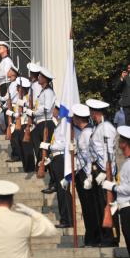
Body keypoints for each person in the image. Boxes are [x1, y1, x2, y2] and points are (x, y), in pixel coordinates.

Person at [86, 98, 120, 247]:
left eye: (93, 112)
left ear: (97, 112)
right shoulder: (98, 127)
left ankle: (112, 237)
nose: (91, 115)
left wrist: (107, 174)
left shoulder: (106, 128)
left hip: (105, 171)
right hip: (98, 170)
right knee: (100, 205)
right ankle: (104, 236)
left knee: (108, 205)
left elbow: (109, 153)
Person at [39, 103, 73, 228]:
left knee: (63, 191)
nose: (53, 110)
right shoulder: (59, 124)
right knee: (60, 191)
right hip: (56, 158)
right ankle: (65, 218)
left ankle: (68, 219)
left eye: (55, 108)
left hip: (61, 158)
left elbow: (64, 144)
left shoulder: (64, 124)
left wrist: (48, 146)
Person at [70, 103, 98, 246]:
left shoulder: (88, 133)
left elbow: (91, 157)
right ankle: (90, 237)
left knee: (90, 207)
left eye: (74, 117)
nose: (72, 119)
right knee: (86, 208)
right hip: (80, 172)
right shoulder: (81, 133)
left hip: (87, 175)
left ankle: (93, 238)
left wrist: (88, 176)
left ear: (78, 118)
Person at [102, 126, 130, 256]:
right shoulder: (126, 163)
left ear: (125, 144)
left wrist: (113, 187)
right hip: (124, 207)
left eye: (120, 141)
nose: (118, 144)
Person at [27, 67, 56, 169]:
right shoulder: (43, 92)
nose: (38, 77)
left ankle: (44, 165)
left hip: (46, 122)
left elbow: (47, 109)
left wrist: (34, 113)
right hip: (40, 122)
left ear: (45, 79)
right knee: (36, 141)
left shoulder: (48, 92)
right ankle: (41, 164)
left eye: (40, 76)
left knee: (44, 147)